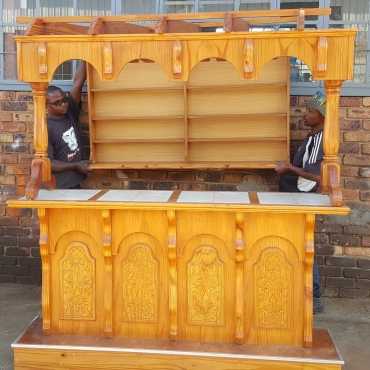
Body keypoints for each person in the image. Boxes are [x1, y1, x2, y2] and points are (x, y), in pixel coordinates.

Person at [275, 91, 326, 314]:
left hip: (307, 198)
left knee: (306, 246)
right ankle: (305, 293)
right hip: (297, 196)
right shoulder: (311, 136)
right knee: (300, 244)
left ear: (322, 116)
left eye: (310, 112)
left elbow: (317, 177)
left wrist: (288, 168)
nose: (304, 115)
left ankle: (313, 298)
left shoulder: (319, 139)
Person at [47, 62, 89, 189]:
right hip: (61, 186)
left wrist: (86, 56)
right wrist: (75, 165)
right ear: (47, 106)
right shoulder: (45, 128)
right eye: (57, 103)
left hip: (76, 182)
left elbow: (78, 82)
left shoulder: (69, 111)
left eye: (64, 100)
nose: (63, 104)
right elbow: (48, 163)